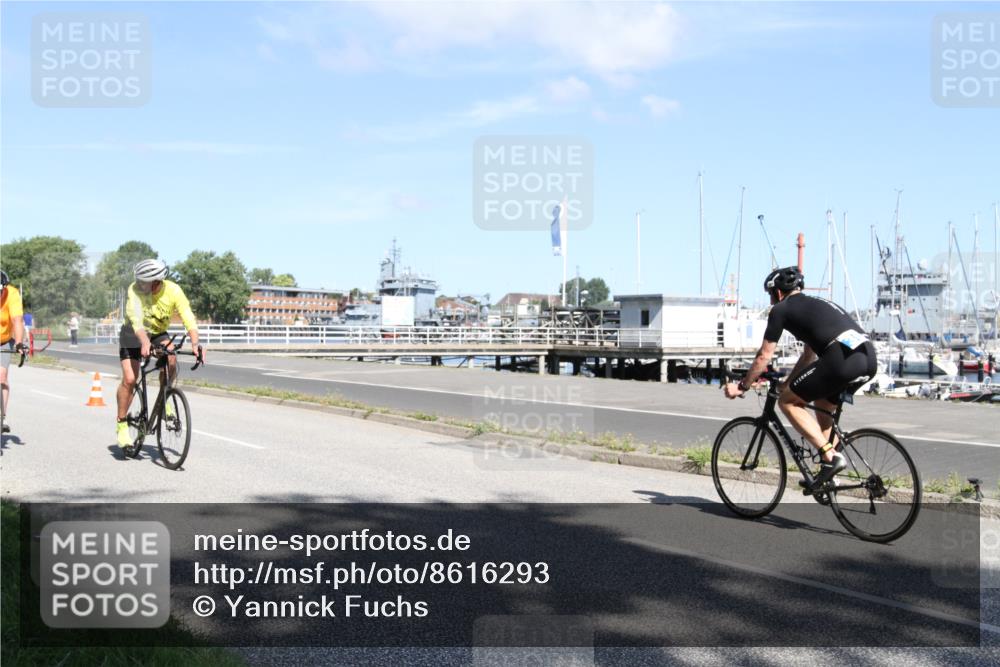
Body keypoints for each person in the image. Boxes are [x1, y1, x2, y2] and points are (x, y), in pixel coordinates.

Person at [724, 267, 876, 489]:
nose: (771, 300)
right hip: (867, 358)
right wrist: (787, 383)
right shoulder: (816, 304)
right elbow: (808, 356)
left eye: (770, 295)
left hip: (841, 360)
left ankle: (831, 457)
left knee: (787, 402)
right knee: (822, 405)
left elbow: (764, 355)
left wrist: (742, 386)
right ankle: (829, 474)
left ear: (776, 293)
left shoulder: (781, 309)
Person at [116, 259, 204, 448]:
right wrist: (145, 342)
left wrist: (195, 342)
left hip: (157, 333)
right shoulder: (134, 290)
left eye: (143, 283)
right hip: (132, 334)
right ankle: (122, 425)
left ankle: (164, 400)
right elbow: (136, 320)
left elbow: (187, 316)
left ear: (156, 282)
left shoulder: (173, 290)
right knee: (130, 379)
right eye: (138, 281)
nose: (140, 285)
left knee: (171, 356)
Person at [1, 270, 27, 433]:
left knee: (1, 376)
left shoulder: (12, 294)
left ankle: (1, 416)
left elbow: (17, 320)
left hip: (4, 341)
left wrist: (18, 343)